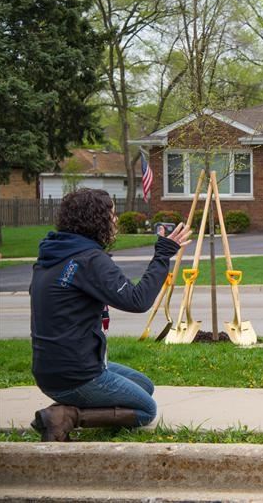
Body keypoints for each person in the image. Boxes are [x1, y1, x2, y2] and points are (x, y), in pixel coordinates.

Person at [30, 188, 192, 442]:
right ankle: (67, 416)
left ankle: (60, 410)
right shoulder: (88, 260)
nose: (115, 221)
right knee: (146, 409)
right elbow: (138, 301)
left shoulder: (53, 254)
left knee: (144, 386)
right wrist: (162, 255)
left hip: (49, 369)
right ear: (96, 219)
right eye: (112, 215)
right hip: (77, 374)